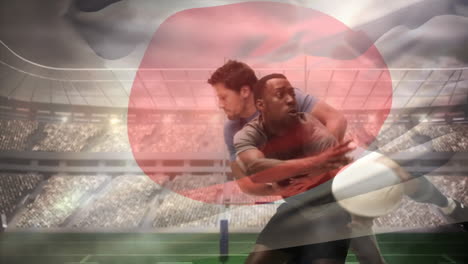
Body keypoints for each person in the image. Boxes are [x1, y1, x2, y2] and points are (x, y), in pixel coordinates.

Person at [209, 61, 387, 264]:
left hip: (334, 193)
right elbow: (246, 180)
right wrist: (276, 188)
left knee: (356, 230)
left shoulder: (288, 99)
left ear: (244, 91)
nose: (220, 104)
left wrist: (316, 170)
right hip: (297, 204)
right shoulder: (236, 130)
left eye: (223, 97)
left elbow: (336, 120)